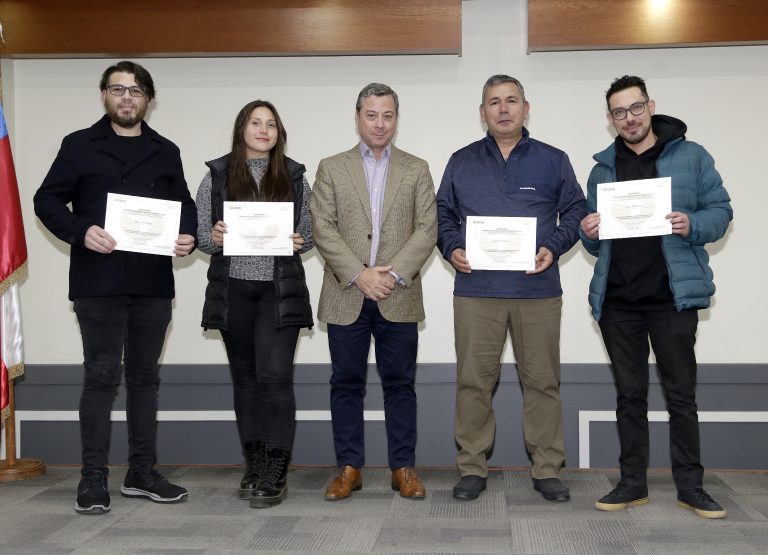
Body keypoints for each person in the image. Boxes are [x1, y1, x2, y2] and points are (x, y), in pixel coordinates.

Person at [33, 61, 196, 514]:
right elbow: (46, 200)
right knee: (101, 378)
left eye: (137, 90)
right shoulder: (79, 144)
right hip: (97, 281)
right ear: (105, 96)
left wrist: (189, 236)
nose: (127, 97)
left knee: (145, 379)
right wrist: (80, 230)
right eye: (118, 89)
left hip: (152, 282)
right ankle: (93, 477)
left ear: (148, 98)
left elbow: (183, 205)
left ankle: (142, 472)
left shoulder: (166, 150)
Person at [580, 75, 732, 519]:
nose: (630, 118)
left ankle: (691, 486)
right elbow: (596, 242)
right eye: (619, 112)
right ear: (610, 119)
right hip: (619, 302)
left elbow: (721, 212)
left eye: (636, 108)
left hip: (672, 300)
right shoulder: (602, 169)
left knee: (681, 395)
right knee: (629, 396)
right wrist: (589, 233)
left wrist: (693, 224)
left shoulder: (692, 156)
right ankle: (632, 484)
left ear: (650, 106)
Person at [436, 74, 586, 502]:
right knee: (472, 383)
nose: (503, 109)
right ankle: (471, 468)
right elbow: (442, 213)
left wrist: (553, 247)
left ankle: (547, 469)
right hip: (475, 291)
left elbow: (576, 210)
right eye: (494, 102)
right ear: (482, 112)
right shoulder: (461, 160)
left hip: (536, 291)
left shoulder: (553, 159)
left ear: (526, 107)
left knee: (542, 382)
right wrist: (452, 247)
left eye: (511, 101)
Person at [311, 83, 437, 501]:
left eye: (387, 115)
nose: (380, 123)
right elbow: (322, 228)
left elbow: (427, 228)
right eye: (371, 114)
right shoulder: (331, 167)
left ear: (396, 119)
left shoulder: (417, 167)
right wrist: (360, 274)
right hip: (346, 294)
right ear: (358, 117)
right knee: (345, 384)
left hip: (398, 295)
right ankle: (349, 468)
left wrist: (393, 274)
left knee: (400, 385)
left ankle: (403, 468)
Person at [196, 100, 313, 509]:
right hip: (233, 289)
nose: (263, 130)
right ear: (241, 128)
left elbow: (308, 234)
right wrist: (216, 235)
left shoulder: (295, 176)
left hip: (279, 291)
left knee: (276, 378)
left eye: (271, 125)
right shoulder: (216, 176)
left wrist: (300, 240)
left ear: (279, 133)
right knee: (245, 380)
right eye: (255, 123)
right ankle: (255, 464)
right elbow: (203, 240)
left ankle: (277, 470)